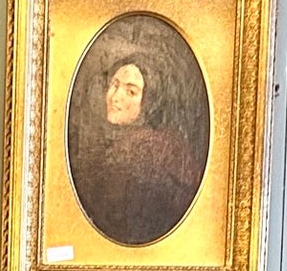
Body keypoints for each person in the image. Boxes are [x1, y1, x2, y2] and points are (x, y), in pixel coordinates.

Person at [71, 56, 203, 246]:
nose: (116, 96)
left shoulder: (163, 150)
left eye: (131, 91)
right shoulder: (100, 146)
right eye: (114, 85)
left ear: (151, 102)